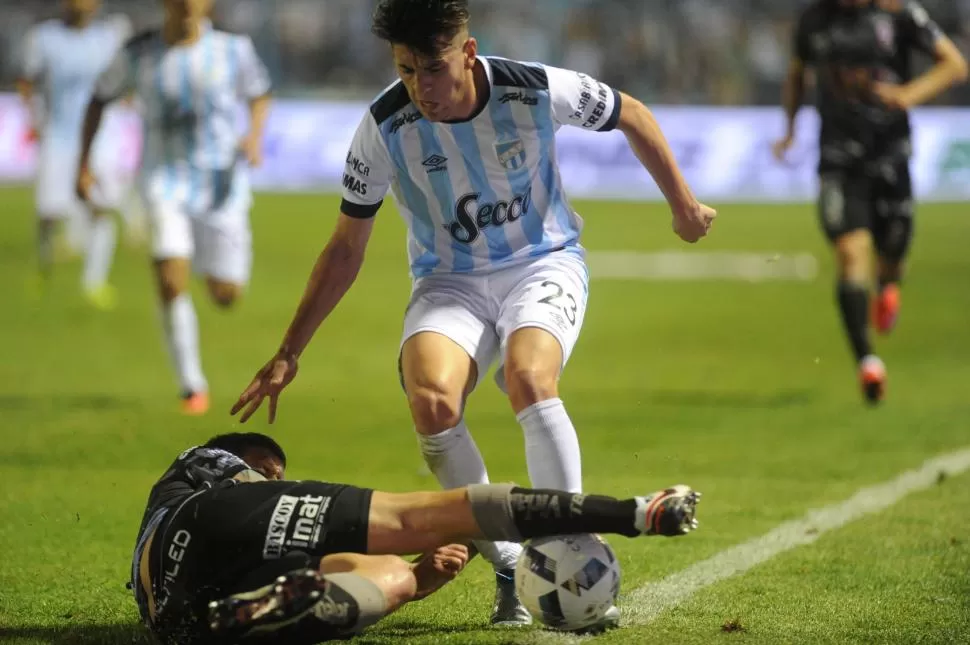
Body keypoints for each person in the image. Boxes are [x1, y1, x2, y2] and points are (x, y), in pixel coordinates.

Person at [231, 0, 716, 625]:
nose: (419, 86)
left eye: (431, 68)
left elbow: (633, 114)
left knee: (529, 378)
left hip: (542, 263)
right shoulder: (384, 126)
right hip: (448, 282)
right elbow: (346, 246)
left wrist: (683, 204)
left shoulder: (535, 87)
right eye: (405, 70)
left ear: (467, 51)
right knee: (432, 401)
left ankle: (566, 549)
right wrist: (289, 350)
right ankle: (515, 567)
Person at [130, 431, 701, 644]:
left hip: (178, 615)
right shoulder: (210, 463)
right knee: (418, 517)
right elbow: (418, 522)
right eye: (271, 470)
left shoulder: (171, 521)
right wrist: (620, 514)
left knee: (393, 574)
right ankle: (637, 512)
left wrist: (422, 576)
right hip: (203, 528)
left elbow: (361, 561)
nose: (279, 480)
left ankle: (258, 615)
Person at [77, 0, 272, 415]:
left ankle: (204, 260)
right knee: (169, 278)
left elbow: (259, 94)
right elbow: (98, 99)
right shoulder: (138, 53)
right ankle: (191, 385)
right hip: (162, 179)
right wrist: (83, 165)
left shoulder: (233, 49)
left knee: (226, 294)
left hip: (221, 184)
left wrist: (253, 137)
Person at [773, 0, 967, 404]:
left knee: (893, 254)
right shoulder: (814, 20)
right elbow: (797, 74)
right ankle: (867, 362)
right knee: (850, 251)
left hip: (891, 155)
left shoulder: (899, 14)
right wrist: (789, 130)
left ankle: (889, 286)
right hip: (838, 159)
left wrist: (908, 94)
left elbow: (953, 63)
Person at [17, 0, 133, 309]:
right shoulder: (44, 37)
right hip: (58, 134)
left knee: (102, 207)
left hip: (100, 136)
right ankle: (44, 270)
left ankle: (94, 282)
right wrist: (32, 117)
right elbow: (27, 81)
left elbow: (123, 79)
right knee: (49, 213)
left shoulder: (110, 37)